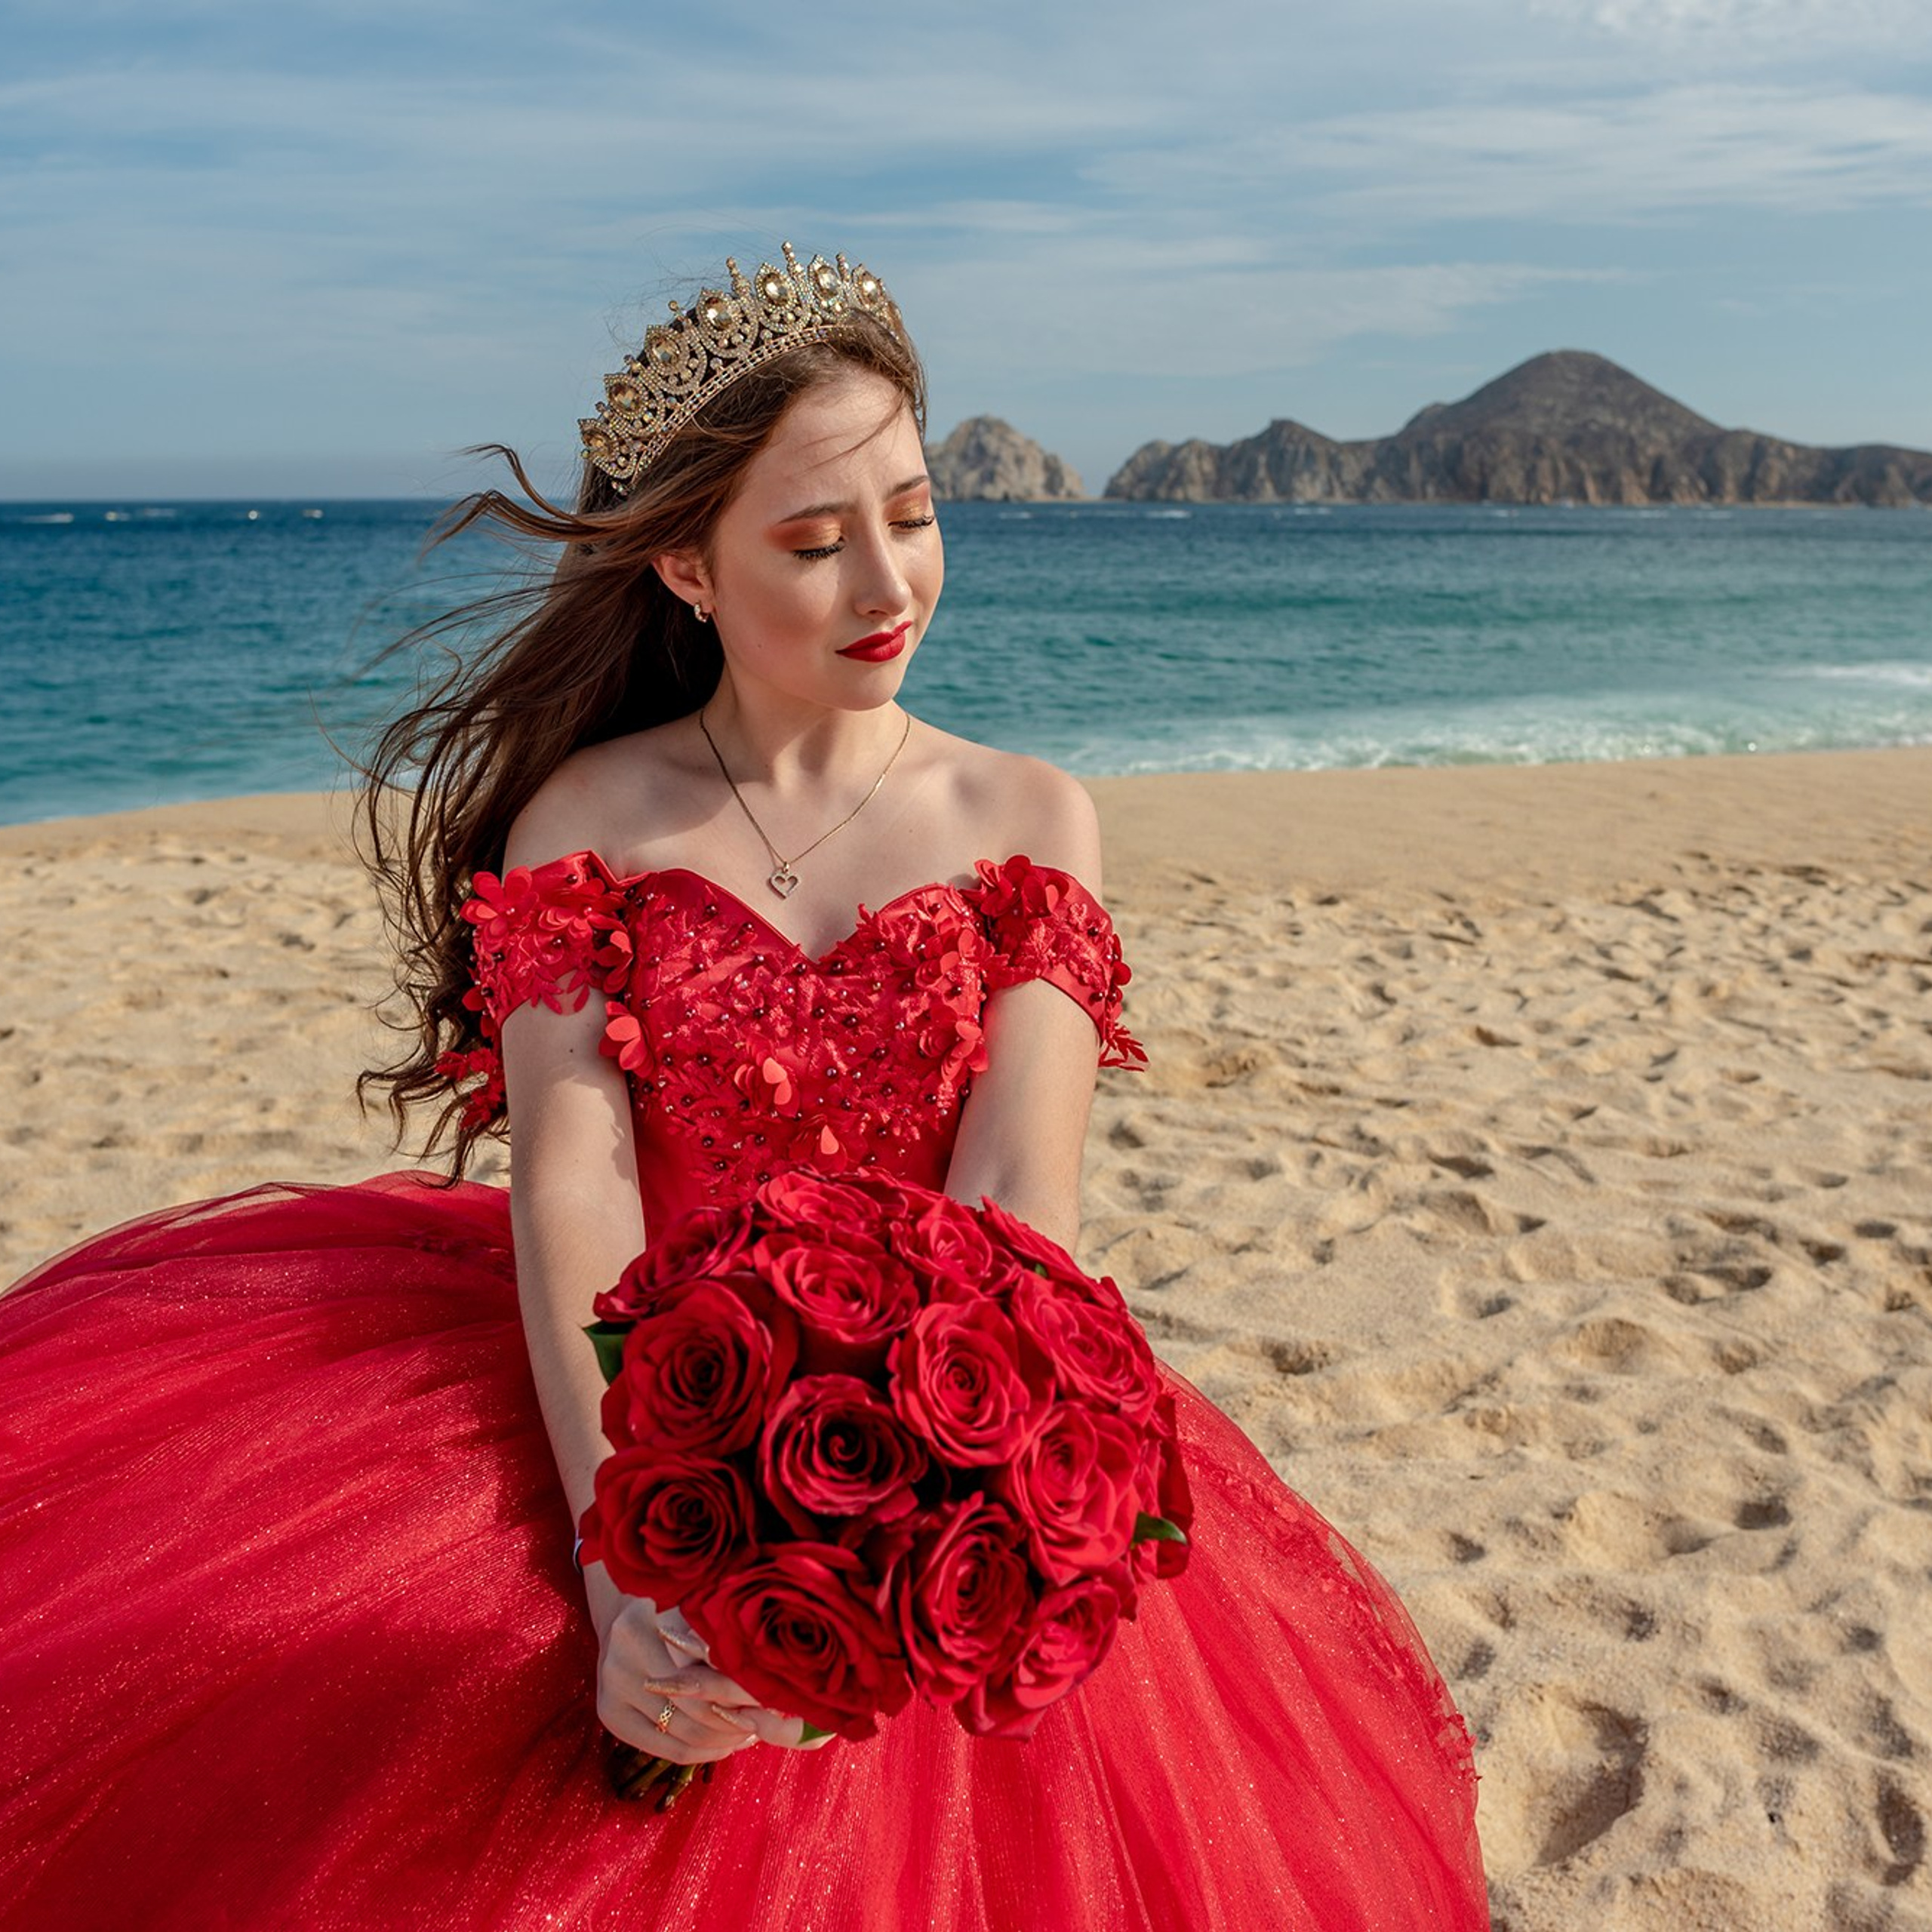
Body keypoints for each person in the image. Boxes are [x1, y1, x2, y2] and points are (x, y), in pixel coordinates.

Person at [0, 246, 1487, 1929]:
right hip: (619, 1395)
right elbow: (579, 1187)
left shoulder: (1029, 815)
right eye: (810, 538)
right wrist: (621, 1557)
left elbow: (1019, 1209)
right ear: (683, 566)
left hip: (946, 1420)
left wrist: (900, 1545)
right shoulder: (587, 816)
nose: (886, 580)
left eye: (913, 513)